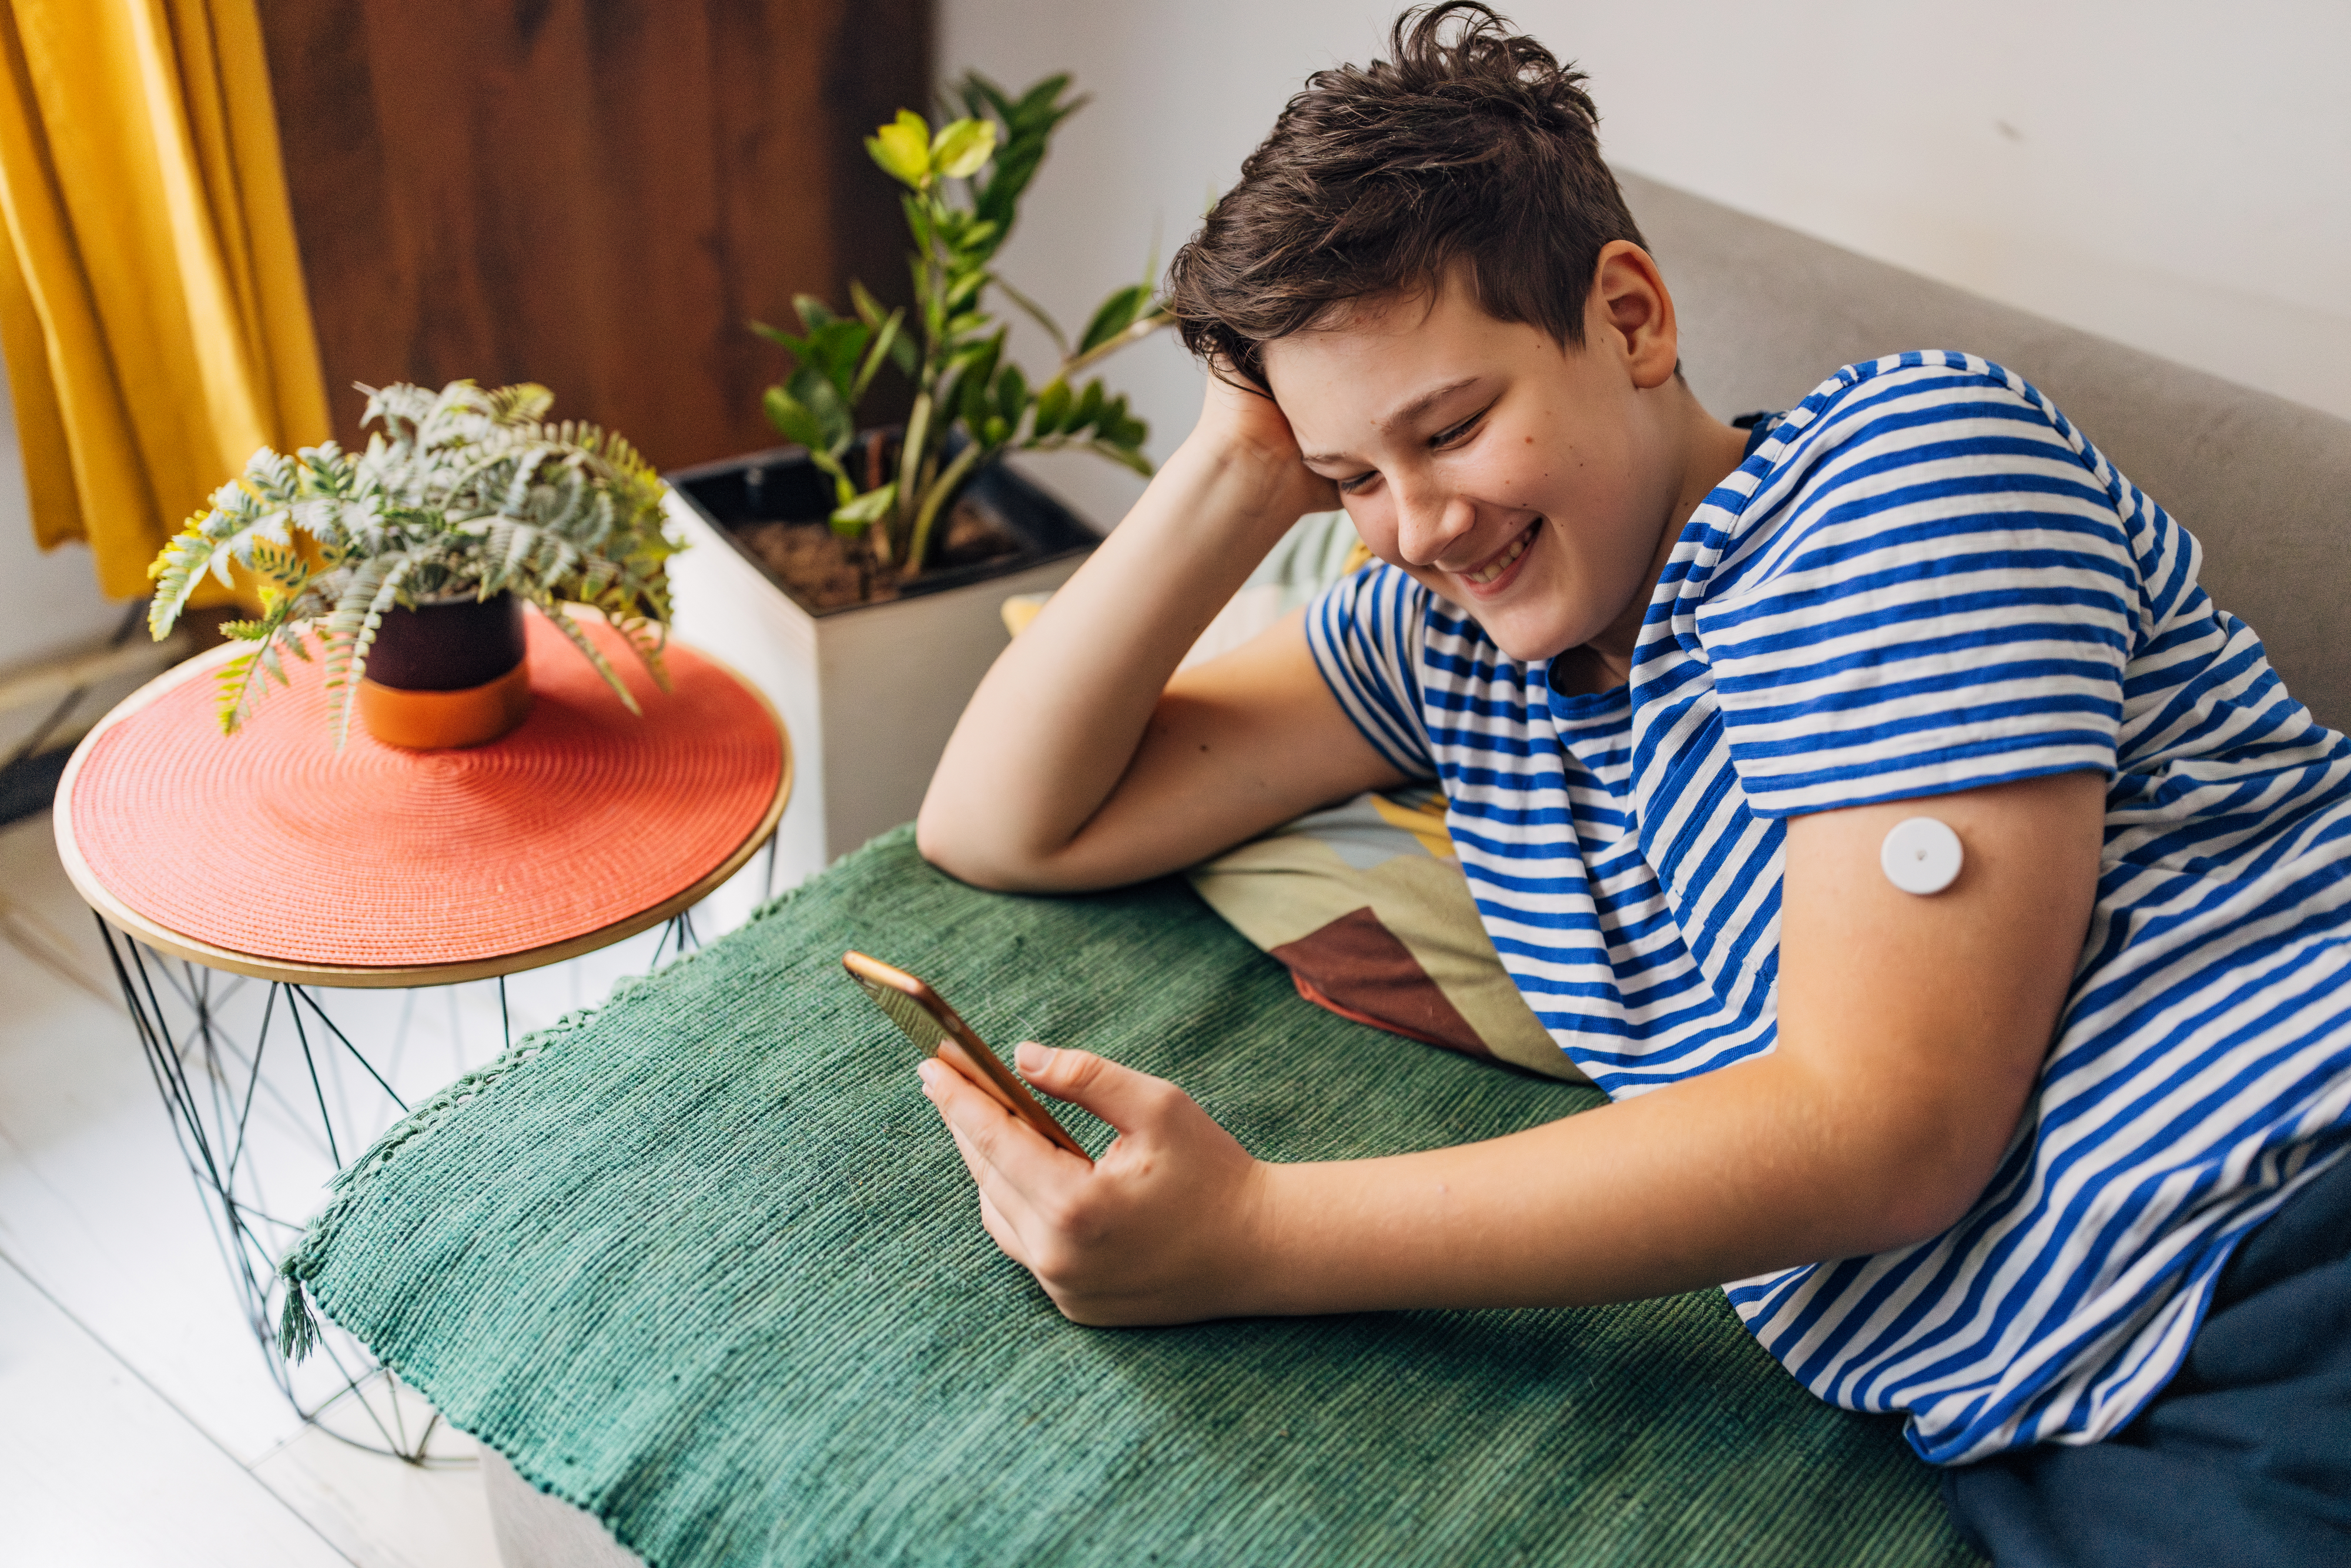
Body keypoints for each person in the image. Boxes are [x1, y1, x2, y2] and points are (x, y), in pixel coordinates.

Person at [911, 6, 2351, 1563]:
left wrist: (1253, 1234)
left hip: (2294, 1220)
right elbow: (998, 820)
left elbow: (1883, 1125)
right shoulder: (1442, 649)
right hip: (2063, 1408)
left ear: (1633, 318)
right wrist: (1245, 462)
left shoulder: (1900, 474)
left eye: (1452, 427)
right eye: (1350, 479)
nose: (1420, 523)